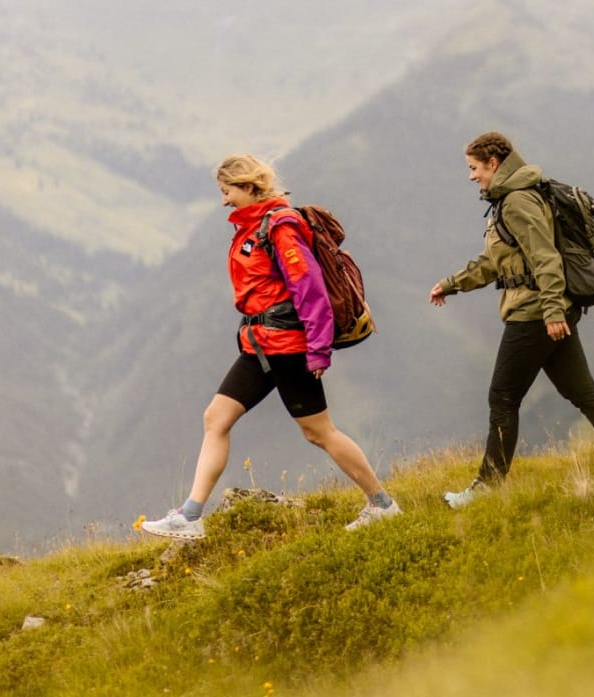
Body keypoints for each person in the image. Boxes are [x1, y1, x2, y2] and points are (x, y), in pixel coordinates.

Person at [141, 154, 400, 538]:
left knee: (319, 432)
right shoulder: (251, 229)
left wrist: (318, 350)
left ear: (248, 187)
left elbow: (310, 290)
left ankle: (382, 504)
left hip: (288, 347)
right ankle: (190, 517)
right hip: (260, 346)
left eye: (227, 191)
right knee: (216, 418)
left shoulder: (279, 228)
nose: (224, 200)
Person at [429, 131, 594, 508]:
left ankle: (488, 487)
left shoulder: (517, 202)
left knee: (502, 397)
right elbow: (497, 262)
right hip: (546, 309)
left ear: (493, 163)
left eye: (474, 168)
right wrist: (452, 284)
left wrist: (554, 311)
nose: (471, 176)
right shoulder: (511, 199)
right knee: (581, 391)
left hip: (535, 313)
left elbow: (546, 259)